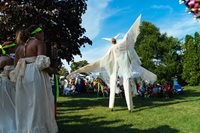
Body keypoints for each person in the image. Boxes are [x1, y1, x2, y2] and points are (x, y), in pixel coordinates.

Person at [14, 25, 58, 133]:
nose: (43, 35)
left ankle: (26, 129)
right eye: (42, 32)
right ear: (37, 33)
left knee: (25, 103)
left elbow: (15, 66)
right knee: (38, 103)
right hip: (35, 74)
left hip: (23, 76)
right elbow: (41, 64)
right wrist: (52, 70)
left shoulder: (19, 48)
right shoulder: (38, 43)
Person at [0, 41, 16, 132]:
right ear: (10, 49)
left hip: (7, 83)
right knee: (10, 105)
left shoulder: (4, 58)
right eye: (13, 47)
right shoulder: (8, 59)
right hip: (6, 84)